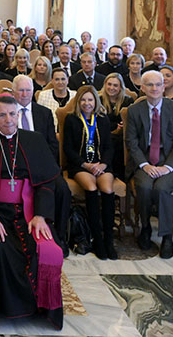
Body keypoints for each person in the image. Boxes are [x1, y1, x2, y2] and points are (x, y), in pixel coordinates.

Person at [0, 94, 64, 330]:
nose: (8, 119)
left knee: (47, 248)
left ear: (19, 115)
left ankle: (40, 307)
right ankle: (3, 309)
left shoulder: (34, 141)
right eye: (2, 115)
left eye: (12, 114)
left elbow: (46, 183)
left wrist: (40, 215)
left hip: (29, 212)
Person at [125, 70, 173, 259]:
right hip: (144, 160)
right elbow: (131, 142)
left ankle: (167, 237)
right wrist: (145, 165)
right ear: (142, 88)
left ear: (164, 87)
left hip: (170, 160)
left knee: (162, 188)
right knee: (145, 187)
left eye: (158, 84)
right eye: (149, 85)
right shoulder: (134, 110)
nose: (154, 88)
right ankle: (145, 227)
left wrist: (168, 167)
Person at [12, 75, 71, 249]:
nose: (24, 94)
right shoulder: (7, 113)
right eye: (21, 90)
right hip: (16, 168)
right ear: (14, 92)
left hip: (42, 166)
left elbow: (52, 144)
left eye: (28, 90)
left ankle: (59, 237)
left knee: (63, 190)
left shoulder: (43, 113)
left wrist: (46, 167)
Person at [63, 86, 117, 259]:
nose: (87, 103)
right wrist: (85, 164)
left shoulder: (102, 119)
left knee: (108, 189)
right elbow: (68, 149)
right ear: (78, 102)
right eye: (83, 100)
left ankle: (109, 239)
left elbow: (109, 147)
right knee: (92, 188)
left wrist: (103, 164)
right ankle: (97, 239)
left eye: (90, 100)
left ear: (96, 101)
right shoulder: (71, 120)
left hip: (101, 164)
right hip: (80, 165)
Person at [100, 73, 134, 180]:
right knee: (110, 141)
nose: (111, 88)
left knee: (119, 142)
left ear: (120, 87)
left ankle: (121, 176)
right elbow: (99, 122)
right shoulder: (98, 100)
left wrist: (122, 126)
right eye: (109, 84)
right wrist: (115, 127)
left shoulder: (128, 101)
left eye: (115, 85)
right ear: (105, 85)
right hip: (103, 134)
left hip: (122, 136)